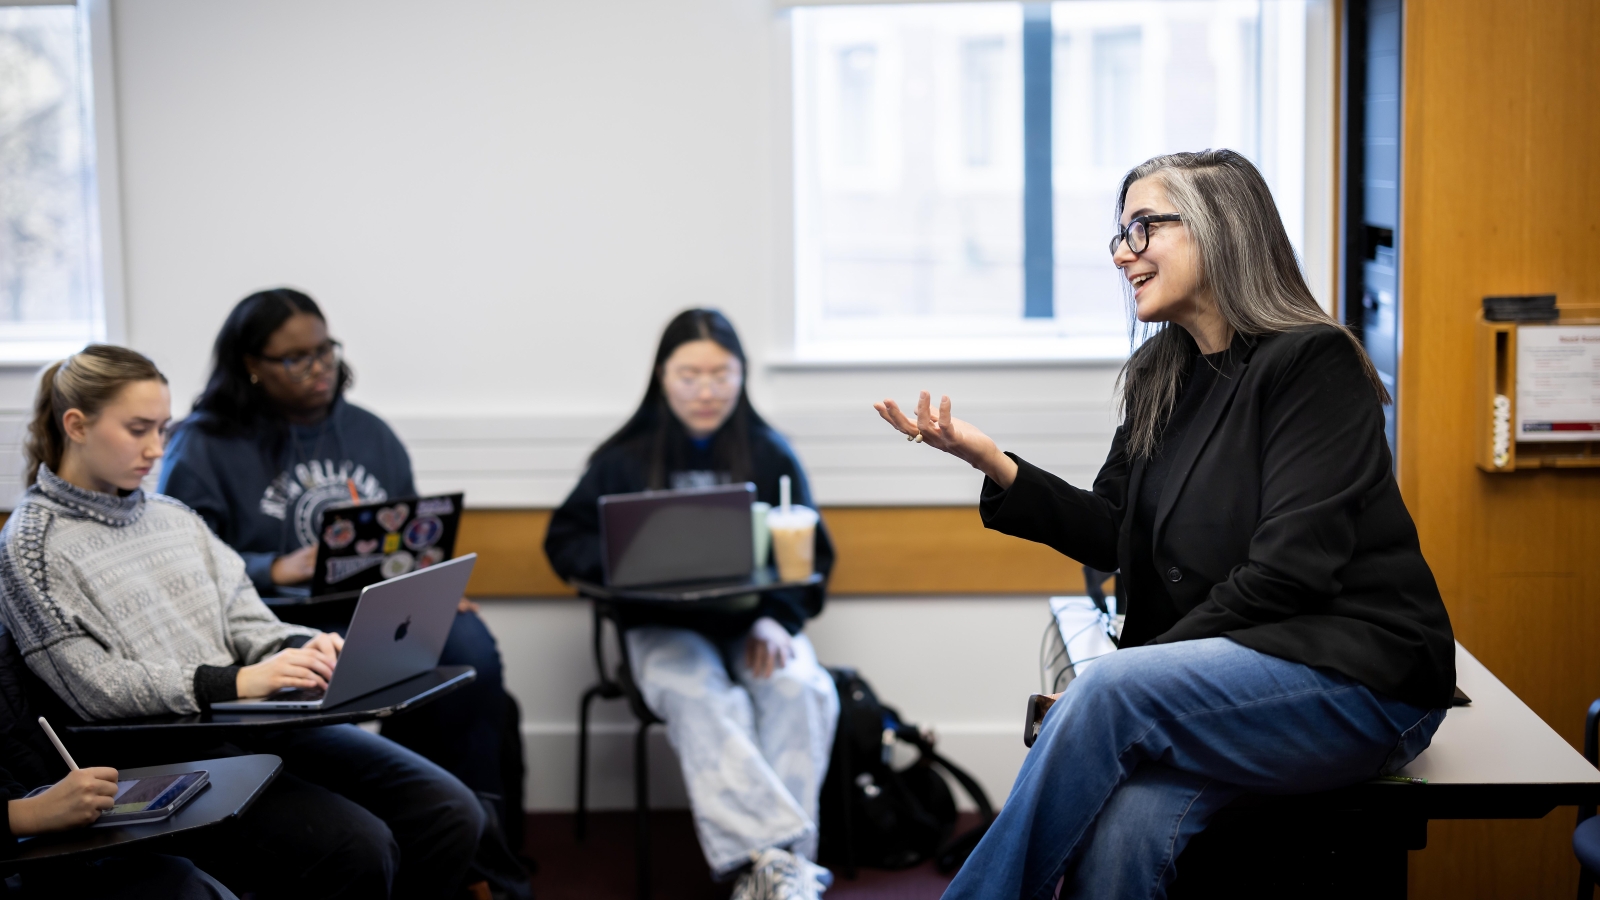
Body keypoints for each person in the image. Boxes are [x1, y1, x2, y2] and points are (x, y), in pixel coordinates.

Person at [873, 150, 1456, 900]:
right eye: (1119, 234)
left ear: (1221, 231)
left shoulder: (1315, 363)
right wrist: (994, 464)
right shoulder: (1163, 376)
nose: (1123, 253)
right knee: (1126, 828)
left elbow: (1288, 574)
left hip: (1359, 682)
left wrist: (1126, 684)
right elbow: (1113, 528)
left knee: (1109, 693)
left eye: (1144, 228)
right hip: (1242, 681)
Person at [0, 344, 484, 899]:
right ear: (76, 425)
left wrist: (305, 647)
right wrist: (236, 682)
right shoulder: (31, 545)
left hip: (247, 725)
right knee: (357, 848)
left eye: (163, 428)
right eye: (138, 429)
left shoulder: (173, 518)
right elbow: (94, 689)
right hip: (163, 752)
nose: (156, 449)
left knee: (448, 811)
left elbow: (248, 621)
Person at [155, 290, 524, 855]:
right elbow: (179, 564)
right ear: (251, 365)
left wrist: (433, 587)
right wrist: (274, 566)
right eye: (296, 358)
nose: (319, 367)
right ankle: (422, 827)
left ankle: (481, 849)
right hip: (272, 623)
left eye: (325, 350)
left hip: (367, 608)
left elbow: (414, 529)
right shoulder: (203, 445)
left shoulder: (369, 432)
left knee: (468, 646)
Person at [544, 309, 839, 900]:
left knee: (801, 687)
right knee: (700, 695)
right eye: (689, 376)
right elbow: (564, 541)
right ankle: (775, 864)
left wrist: (774, 616)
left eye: (721, 374)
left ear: (742, 376)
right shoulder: (622, 458)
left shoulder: (770, 453)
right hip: (662, 628)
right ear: (661, 376)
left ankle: (776, 871)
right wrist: (630, 561)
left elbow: (811, 556)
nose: (706, 391)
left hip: (752, 623)